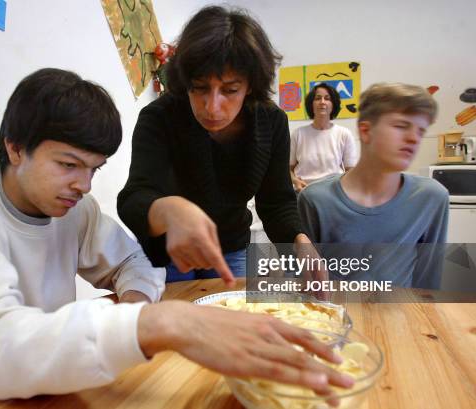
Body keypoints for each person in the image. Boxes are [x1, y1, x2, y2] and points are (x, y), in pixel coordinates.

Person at [0, 68, 353, 404]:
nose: (84, 186)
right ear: (15, 146)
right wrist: (159, 323)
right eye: (68, 165)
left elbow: (134, 264)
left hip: (32, 380)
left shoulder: (75, 209)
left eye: (94, 170)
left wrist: (133, 305)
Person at [118, 6, 323, 284]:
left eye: (230, 90)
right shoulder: (159, 117)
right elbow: (133, 200)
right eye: (200, 87)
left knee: (234, 319)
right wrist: (169, 210)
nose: (212, 107)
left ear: (250, 85)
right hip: (167, 254)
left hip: (231, 248)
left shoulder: (271, 121)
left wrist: (299, 240)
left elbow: (276, 201)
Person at [297, 83, 449, 289]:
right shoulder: (315, 199)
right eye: (401, 126)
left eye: (421, 131)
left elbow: (429, 285)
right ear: (366, 131)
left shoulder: (431, 198)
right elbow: (302, 283)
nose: (414, 138)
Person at [290, 83, 358, 191]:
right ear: (311, 105)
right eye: (317, 98)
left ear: (333, 104)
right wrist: (295, 181)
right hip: (303, 192)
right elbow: (288, 169)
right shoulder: (298, 134)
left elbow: (351, 171)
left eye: (327, 98)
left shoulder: (344, 134)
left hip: (334, 193)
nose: (322, 102)